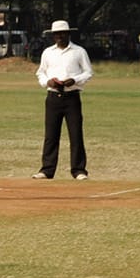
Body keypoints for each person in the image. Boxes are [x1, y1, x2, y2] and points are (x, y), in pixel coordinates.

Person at [32, 20, 91, 182]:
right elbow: (41, 73)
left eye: (62, 33)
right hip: (52, 97)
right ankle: (47, 170)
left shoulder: (79, 51)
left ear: (68, 34)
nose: (59, 36)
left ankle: (79, 170)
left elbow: (88, 73)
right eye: (56, 34)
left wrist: (75, 80)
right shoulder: (48, 52)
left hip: (72, 97)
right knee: (51, 135)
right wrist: (48, 82)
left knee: (75, 133)